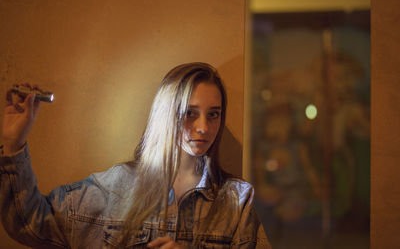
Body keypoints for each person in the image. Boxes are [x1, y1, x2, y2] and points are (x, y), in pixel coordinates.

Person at [0, 62, 271, 248]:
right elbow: (30, 222)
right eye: (189, 113)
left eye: (213, 114)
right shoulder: (113, 188)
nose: (203, 127)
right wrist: (13, 143)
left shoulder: (237, 200)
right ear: (166, 114)